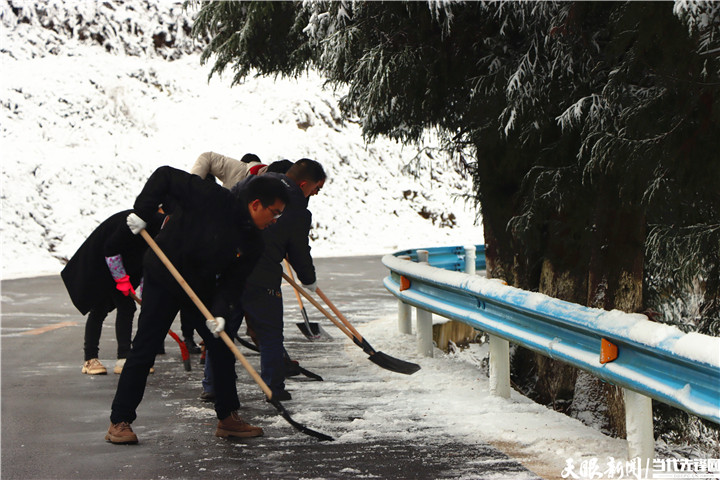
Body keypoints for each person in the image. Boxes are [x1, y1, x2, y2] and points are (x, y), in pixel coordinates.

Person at [105, 166, 288, 444]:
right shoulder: (212, 196)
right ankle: (120, 421)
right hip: (165, 275)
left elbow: (232, 282)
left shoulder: (253, 242)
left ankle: (227, 418)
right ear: (255, 204)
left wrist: (220, 312)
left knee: (222, 346)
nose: (275, 220)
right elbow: (165, 175)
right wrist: (143, 212)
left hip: (200, 288)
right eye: (274, 212)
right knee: (145, 346)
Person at [238, 158, 326, 401]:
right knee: (270, 334)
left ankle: (213, 387)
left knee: (223, 329)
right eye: (316, 188)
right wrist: (308, 279)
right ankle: (274, 388)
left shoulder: (252, 183)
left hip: (229, 265)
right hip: (262, 274)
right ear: (304, 183)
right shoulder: (296, 207)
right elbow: (298, 250)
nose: (315, 194)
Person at [61, 209, 162, 375]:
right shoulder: (140, 222)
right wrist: (121, 279)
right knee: (116, 307)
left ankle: (107, 357)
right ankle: (111, 358)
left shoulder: (161, 232)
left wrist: (147, 296)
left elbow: (148, 265)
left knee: (105, 308)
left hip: (120, 265)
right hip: (102, 263)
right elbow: (110, 248)